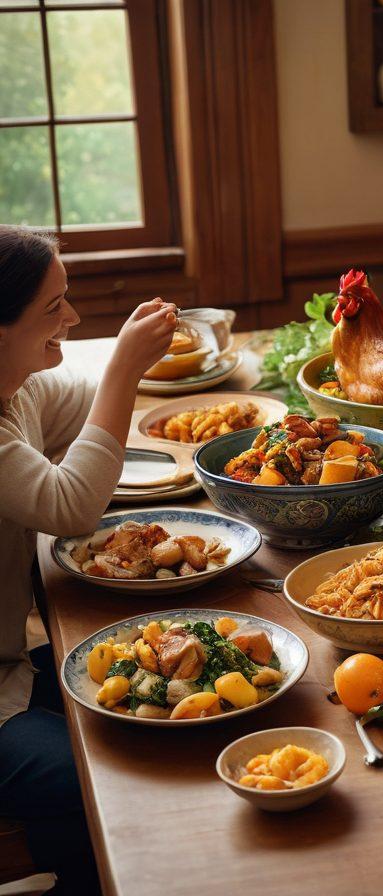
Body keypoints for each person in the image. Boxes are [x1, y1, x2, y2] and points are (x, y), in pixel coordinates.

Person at [0, 226, 178, 894]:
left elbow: (86, 406)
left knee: (144, 694)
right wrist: (127, 367)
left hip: (11, 664)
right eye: (54, 308)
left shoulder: (11, 392)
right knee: (109, 783)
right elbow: (71, 502)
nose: (71, 318)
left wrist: (129, 374)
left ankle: (76, 875)